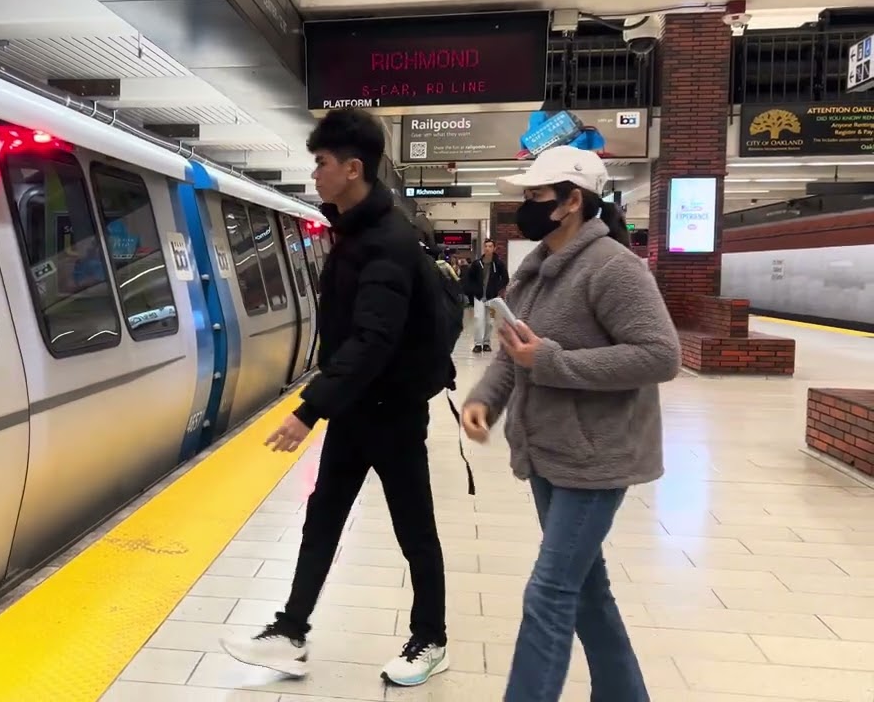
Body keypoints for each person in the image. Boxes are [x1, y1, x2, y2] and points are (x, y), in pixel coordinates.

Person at [221, 108, 454, 687]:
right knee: (322, 517)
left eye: (322, 163)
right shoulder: (353, 233)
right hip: (357, 409)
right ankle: (290, 630)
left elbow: (372, 340)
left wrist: (309, 409)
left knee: (414, 528)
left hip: (394, 412)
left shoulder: (387, 243)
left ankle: (431, 639)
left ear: (353, 168)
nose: (316, 174)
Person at [459, 145, 680, 702]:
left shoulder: (613, 268)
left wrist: (553, 362)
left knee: (550, 593)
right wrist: (486, 398)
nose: (524, 207)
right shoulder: (534, 273)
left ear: (571, 201)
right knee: (586, 592)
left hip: (595, 459)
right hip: (548, 454)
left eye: (534, 196)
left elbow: (660, 355)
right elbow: (515, 354)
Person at [464, 238, 508, 353]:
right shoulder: (477, 264)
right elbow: (469, 279)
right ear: (484, 248)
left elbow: (505, 278)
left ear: (494, 248)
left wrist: (496, 288)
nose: (487, 248)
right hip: (479, 297)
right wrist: (473, 290)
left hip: (492, 298)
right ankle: (478, 344)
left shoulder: (498, 264)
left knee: (490, 321)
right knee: (478, 319)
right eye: (486, 246)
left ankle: (486, 343)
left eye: (490, 246)